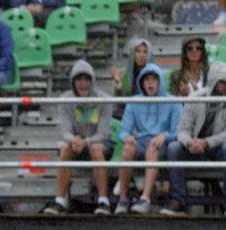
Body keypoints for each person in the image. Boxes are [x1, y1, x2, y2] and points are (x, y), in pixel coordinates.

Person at [43, 60, 114, 215]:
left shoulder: (105, 100)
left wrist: (86, 141)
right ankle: (60, 200)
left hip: (99, 142)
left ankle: (103, 201)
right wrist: (74, 140)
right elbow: (65, 131)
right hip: (76, 143)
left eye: (86, 79)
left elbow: (103, 133)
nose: (83, 84)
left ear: (92, 81)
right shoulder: (65, 100)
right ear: (73, 82)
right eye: (79, 79)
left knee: (96, 148)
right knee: (65, 148)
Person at [115, 64, 182, 214]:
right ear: (141, 82)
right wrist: (127, 137)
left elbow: (177, 132)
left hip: (162, 145)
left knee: (153, 147)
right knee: (127, 148)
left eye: (154, 79)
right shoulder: (134, 101)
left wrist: (164, 136)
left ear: (160, 82)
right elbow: (123, 130)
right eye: (146, 80)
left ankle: (145, 198)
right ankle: (123, 200)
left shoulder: (173, 101)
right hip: (141, 142)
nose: (150, 83)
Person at [161, 62, 226, 215]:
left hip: (216, 148)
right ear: (214, 81)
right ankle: (177, 200)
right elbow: (182, 130)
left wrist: (207, 142)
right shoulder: (195, 98)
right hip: (194, 147)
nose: (225, 87)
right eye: (222, 82)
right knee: (174, 148)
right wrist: (190, 142)